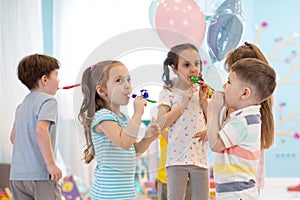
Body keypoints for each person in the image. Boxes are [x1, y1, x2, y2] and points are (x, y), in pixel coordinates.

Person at [78, 60, 160, 200]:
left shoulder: (124, 118)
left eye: (128, 79)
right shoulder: (102, 117)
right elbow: (124, 142)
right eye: (119, 80)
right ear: (101, 90)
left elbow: (133, 151)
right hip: (107, 194)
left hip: (125, 193)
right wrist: (138, 114)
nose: (127, 85)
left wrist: (148, 138)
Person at [207, 58, 277, 200]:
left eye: (229, 82)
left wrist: (213, 111)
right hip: (236, 192)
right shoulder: (245, 117)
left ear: (244, 93)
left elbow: (215, 145)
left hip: (237, 194)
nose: (224, 85)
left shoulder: (242, 121)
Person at [156, 43, 209, 200]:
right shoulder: (168, 92)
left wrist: (205, 102)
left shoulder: (202, 92)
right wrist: (182, 104)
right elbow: (161, 123)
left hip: (200, 159)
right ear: (174, 68)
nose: (194, 69)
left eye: (197, 63)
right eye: (186, 65)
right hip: (176, 160)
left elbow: (212, 122)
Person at [224, 42, 275, 191]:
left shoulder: (241, 112)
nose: (226, 84)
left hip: (238, 180)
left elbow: (218, 141)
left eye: (230, 79)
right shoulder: (258, 106)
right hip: (248, 179)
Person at [9, 54, 62, 200]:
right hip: (40, 175)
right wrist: (51, 164)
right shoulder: (49, 101)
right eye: (56, 76)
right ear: (44, 79)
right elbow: (40, 130)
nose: (59, 81)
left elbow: (13, 137)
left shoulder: (21, 106)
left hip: (17, 176)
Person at [155, 129, 192, 200]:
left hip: (183, 178)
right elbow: (163, 153)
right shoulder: (164, 126)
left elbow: (176, 143)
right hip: (163, 178)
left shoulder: (184, 125)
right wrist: (158, 176)